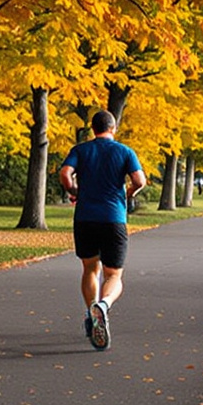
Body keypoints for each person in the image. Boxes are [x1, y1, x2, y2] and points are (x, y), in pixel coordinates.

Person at [59, 111, 146, 351]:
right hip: (113, 219)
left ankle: (91, 313)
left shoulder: (81, 150)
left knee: (89, 268)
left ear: (92, 128)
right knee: (114, 275)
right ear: (113, 128)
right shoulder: (125, 152)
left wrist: (75, 190)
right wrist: (127, 194)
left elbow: (65, 173)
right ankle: (104, 306)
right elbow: (139, 181)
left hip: (85, 218)